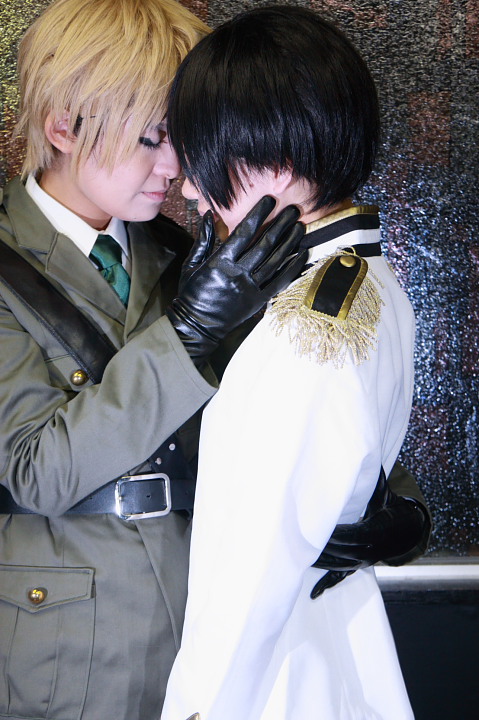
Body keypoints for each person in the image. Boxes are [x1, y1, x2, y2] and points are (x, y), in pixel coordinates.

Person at [0, 1, 307, 719]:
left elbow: (284, 394)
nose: (175, 167)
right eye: (150, 137)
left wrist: (384, 501)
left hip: (211, 629)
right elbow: (36, 470)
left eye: (183, 138)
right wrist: (190, 331)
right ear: (63, 127)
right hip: (65, 647)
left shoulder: (188, 255)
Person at [161, 6, 418, 719]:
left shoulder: (308, 326)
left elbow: (252, 567)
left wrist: (199, 708)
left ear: (274, 159)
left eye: (203, 157)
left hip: (272, 678)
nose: (189, 189)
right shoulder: (367, 281)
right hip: (322, 646)